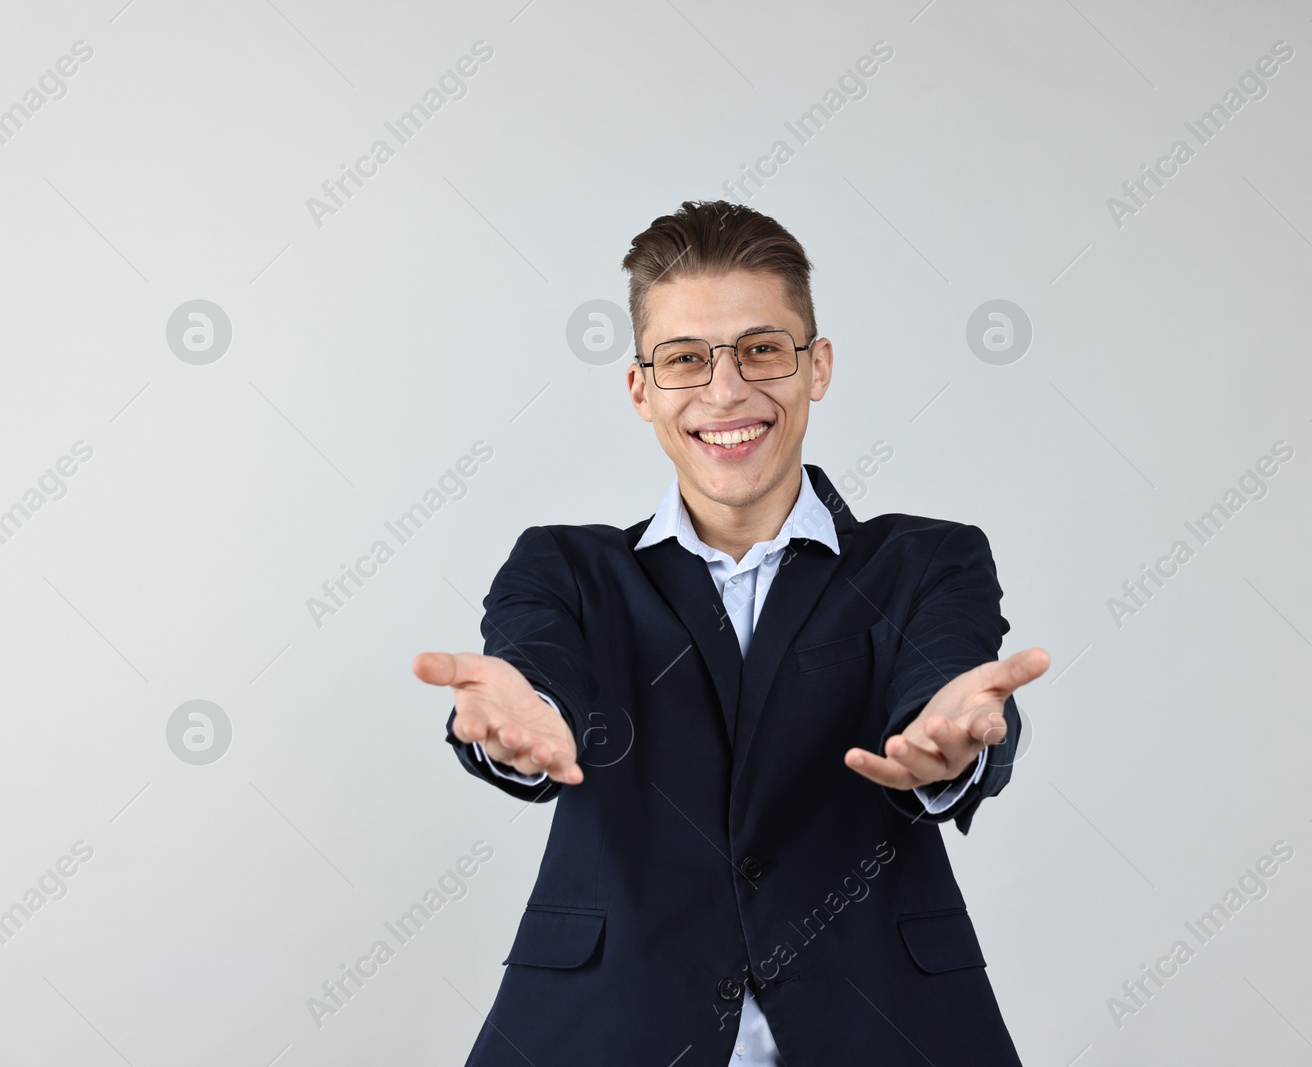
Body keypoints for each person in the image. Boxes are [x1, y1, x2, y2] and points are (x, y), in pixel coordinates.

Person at [413, 200, 1048, 1065]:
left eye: (762, 349)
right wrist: (518, 728)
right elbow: (536, 669)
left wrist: (952, 746)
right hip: (606, 1029)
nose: (726, 389)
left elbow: (944, 684)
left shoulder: (928, 560)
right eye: (684, 358)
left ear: (815, 366)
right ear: (641, 388)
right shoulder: (565, 569)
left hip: (885, 1028)